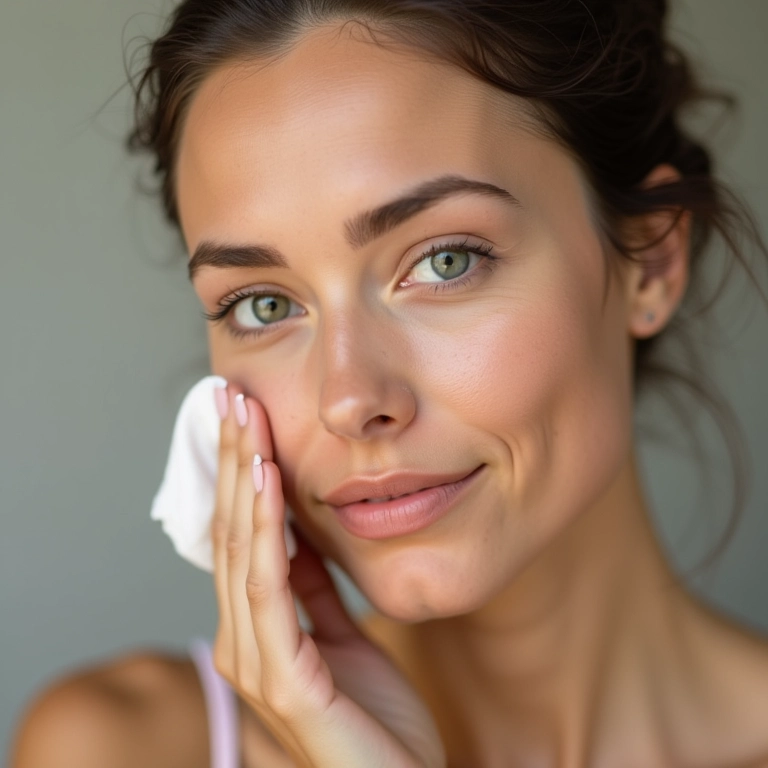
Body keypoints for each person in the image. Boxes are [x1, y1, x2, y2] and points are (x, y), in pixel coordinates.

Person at [10, 1, 768, 766]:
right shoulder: (125, 748)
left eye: (445, 261)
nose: (349, 399)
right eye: (263, 305)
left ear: (650, 260)